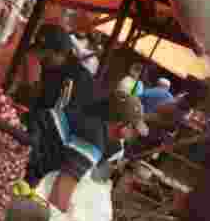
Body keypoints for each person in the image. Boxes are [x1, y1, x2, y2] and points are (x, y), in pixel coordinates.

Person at [26, 79, 150, 213]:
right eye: (133, 128)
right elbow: (62, 188)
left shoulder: (93, 123)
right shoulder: (94, 139)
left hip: (27, 143)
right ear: (121, 124)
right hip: (21, 150)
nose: (134, 134)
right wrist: (60, 220)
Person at [20, 24, 100, 113]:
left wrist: (32, 84)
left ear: (62, 54)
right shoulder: (47, 65)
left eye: (47, 58)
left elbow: (59, 115)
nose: (41, 61)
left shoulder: (79, 79)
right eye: (40, 56)